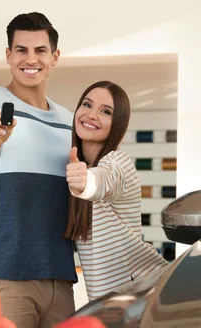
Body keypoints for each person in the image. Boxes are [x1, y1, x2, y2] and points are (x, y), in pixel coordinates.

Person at [0, 12, 77, 328]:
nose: (31, 59)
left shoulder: (69, 119)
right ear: (8, 55)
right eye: (21, 50)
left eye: (40, 50)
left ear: (54, 57)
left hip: (60, 276)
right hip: (7, 275)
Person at [64, 80, 169, 301]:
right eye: (86, 104)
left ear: (117, 124)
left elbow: (107, 180)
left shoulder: (119, 162)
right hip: (113, 300)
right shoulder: (80, 163)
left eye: (105, 111)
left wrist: (85, 182)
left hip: (144, 292)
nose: (91, 115)